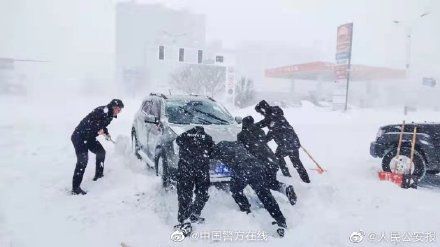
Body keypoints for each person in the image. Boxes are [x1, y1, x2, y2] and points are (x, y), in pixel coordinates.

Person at [211, 141, 288, 237]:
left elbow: (210, 157)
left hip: (242, 168)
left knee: (235, 190)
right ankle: (280, 220)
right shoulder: (237, 144)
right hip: (257, 166)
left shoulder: (218, 148)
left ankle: (246, 210)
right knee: (265, 195)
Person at [237, 116, 297, 205]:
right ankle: (285, 189)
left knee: (259, 183)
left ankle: (264, 203)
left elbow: (241, 149)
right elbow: (260, 143)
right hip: (271, 160)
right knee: (271, 182)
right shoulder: (260, 131)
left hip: (260, 162)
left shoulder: (241, 135)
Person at [71, 99, 124, 195]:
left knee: (101, 152)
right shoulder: (101, 111)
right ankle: (75, 188)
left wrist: (106, 133)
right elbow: (91, 123)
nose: (119, 112)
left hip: (89, 137)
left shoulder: (110, 116)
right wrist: (98, 129)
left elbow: (102, 126)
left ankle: (98, 175)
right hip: (79, 136)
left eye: (120, 110)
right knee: (83, 160)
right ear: (114, 107)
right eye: (119, 109)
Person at [254, 100, 310, 184]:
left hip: (286, 143)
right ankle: (306, 180)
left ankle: (287, 176)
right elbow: (262, 123)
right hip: (292, 141)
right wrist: (252, 126)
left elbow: (272, 132)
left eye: (260, 112)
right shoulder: (274, 114)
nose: (260, 114)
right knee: (296, 162)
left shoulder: (271, 117)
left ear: (263, 109)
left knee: (278, 157)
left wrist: (263, 141)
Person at [175, 126, 214, 235]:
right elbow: (211, 151)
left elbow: (178, 141)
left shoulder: (183, 136)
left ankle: (184, 218)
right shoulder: (207, 138)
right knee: (202, 192)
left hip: (185, 169)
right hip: (202, 169)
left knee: (184, 193)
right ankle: (195, 213)